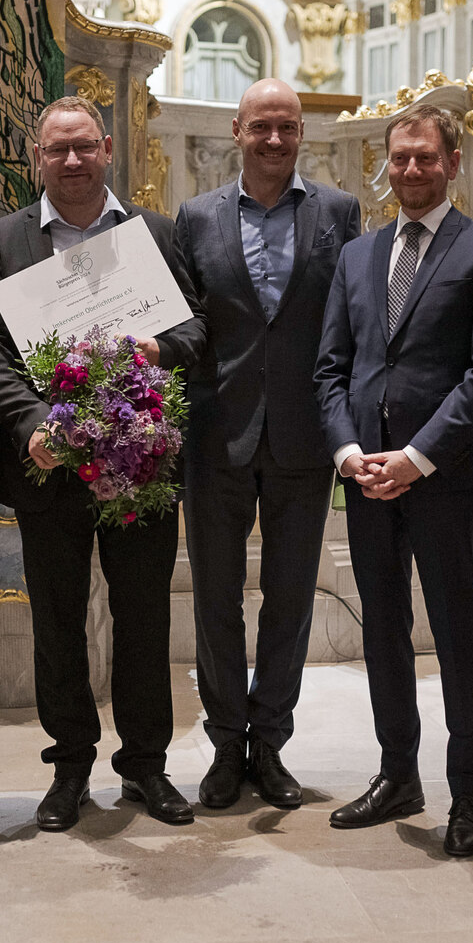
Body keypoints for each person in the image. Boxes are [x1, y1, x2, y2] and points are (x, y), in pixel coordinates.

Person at [0, 96, 207, 832]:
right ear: (37, 157)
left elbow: (195, 326)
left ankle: (146, 767)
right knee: (58, 621)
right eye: (55, 149)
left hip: (140, 464)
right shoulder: (3, 239)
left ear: (107, 147)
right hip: (49, 467)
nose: (71, 160)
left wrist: (157, 350)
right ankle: (70, 764)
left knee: (142, 617)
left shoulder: (152, 233)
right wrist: (35, 421)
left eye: (83, 146)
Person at [313, 105, 473, 851]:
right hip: (365, 474)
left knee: (458, 632)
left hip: (444, 476)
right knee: (383, 629)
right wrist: (348, 453)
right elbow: (332, 367)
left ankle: (469, 795)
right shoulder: (358, 256)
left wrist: (417, 456)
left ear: (452, 162)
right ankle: (398, 771)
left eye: (424, 158)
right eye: (399, 159)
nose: (410, 170)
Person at [173, 78, 361, 811]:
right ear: (237, 131)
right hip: (216, 435)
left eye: (287, 127)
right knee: (216, 599)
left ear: (301, 132)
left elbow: (347, 322)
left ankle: (271, 742)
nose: (275, 139)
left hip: (305, 437)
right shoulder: (196, 217)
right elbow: (188, 321)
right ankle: (225, 744)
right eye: (262, 127)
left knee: (289, 600)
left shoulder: (339, 212)